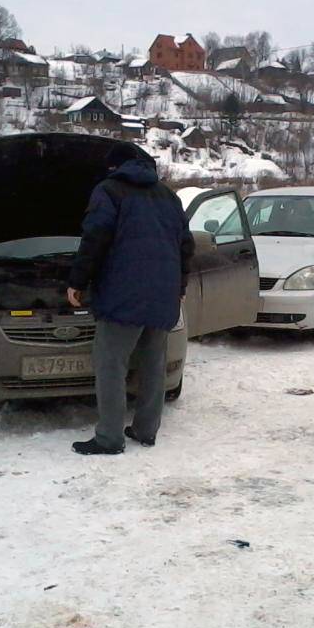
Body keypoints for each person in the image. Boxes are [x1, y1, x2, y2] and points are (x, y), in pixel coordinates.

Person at [67, 142, 195, 455]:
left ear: (113, 167)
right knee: (153, 364)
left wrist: (77, 281)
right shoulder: (168, 195)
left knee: (110, 364)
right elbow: (186, 246)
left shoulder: (109, 190)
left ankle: (109, 438)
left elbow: (95, 237)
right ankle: (145, 430)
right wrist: (178, 287)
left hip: (122, 293)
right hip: (163, 294)